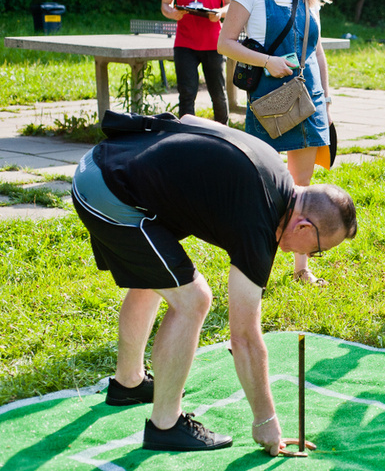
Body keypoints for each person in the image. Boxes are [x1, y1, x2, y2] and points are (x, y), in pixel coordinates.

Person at [72, 114, 358, 454]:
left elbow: (191, 120)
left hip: (105, 163)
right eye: (318, 250)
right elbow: (244, 338)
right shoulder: (260, 221)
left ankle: (128, 383)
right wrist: (266, 421)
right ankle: (165, 425)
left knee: (158, 275)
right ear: (304, 228)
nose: (310, 255)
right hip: (109, 191)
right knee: (194, 300)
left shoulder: (273, 167)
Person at [219, 0, 333, 287]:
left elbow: (316, 50)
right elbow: (225, 43)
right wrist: (267, 61)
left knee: (303, 186)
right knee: (265, 186)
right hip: (268, 97)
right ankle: (257, 262)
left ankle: (301, 267)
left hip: (308, 97)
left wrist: (328, 98)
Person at [161, 0, 233, 124]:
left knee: (218, 94)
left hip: (214, 42)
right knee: (186, 94)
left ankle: (223, 135)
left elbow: (231, 5)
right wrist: (172, 13)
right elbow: (165, 4)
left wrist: (219, 12)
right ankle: (186, 135)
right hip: (185, 43)